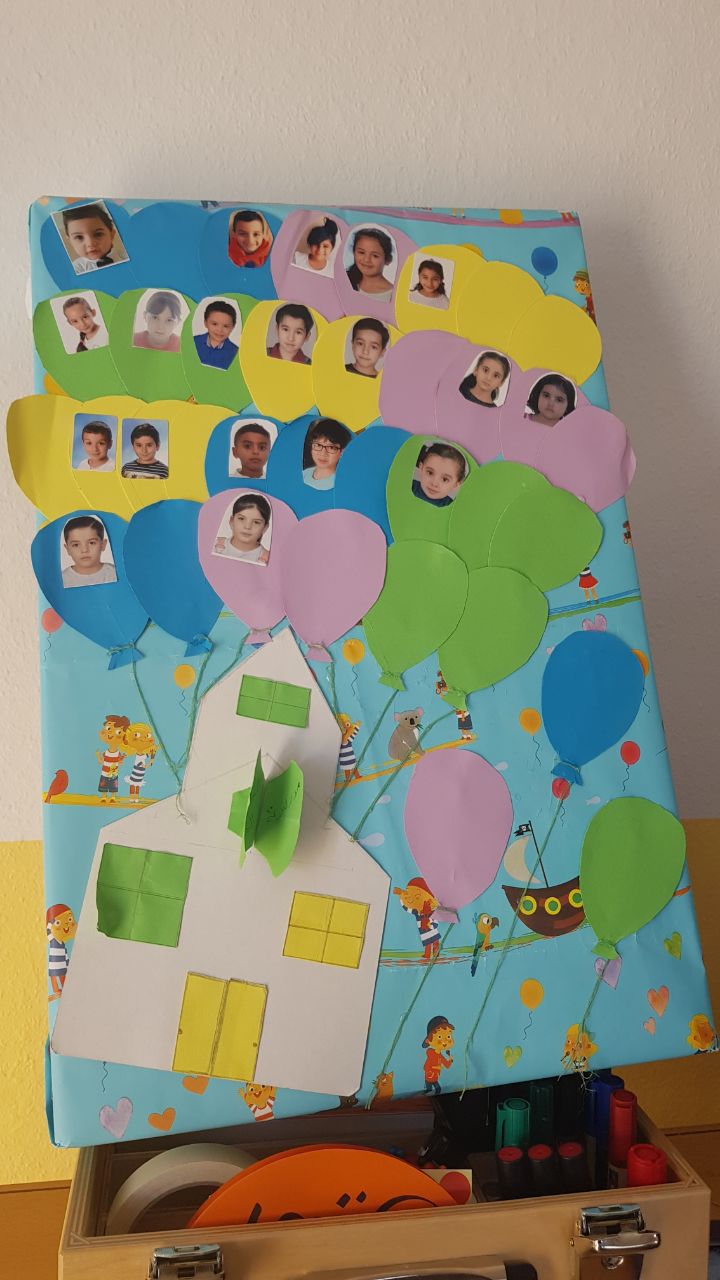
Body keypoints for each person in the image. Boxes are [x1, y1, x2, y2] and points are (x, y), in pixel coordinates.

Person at [61, 202, 125, 273]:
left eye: (98, 234)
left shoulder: (124, 257)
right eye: (79, 237)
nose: (90, 243)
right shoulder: (75, 269)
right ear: (70, 241)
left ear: (112, 234)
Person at [214, 493, 271, 563]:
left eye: (256, 522)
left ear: (265, 527)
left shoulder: (268, 559)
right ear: (232, 521)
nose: (247, 527)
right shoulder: (214, 545)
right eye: (241, 518)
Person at [61, 515, 117, 587]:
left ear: (103, 544)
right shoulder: (62, 579)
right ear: (67, 549)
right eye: (76, 545)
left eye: (92, 543)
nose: (84, 550)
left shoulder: (114, 573)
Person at [412, 441, 466, 507]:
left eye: (444, 479)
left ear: (456, 484)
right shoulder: (408, 486)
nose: (434, 484)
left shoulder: (452, 507)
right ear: (421, 468)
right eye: (430, 473)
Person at [302, 418, 351, 489]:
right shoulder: (303, 475)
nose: (323, 453)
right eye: (318, 445)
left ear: (342, 452)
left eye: (331, 447)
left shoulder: (343, 483)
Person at [346, 227, 395, 299]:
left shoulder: (393, 294)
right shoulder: (346, 281)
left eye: (375, 256)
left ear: (387, 260)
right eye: (361, 252)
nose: (366, 260)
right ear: (354, 252)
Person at [194, 300, 239, 369]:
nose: (220, 330)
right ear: (205, 323)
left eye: (226, 326)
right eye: (214, 324)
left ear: (232, 327)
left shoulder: (235, 353)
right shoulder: (193, 342)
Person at [96, 713, 130, 803]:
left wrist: (123, 758)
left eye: (118, 732)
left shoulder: (118, 753)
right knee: (103, 786)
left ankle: (113, 797)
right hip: (104, 773)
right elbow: (101, 761)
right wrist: (98, 755)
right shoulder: (105, 753)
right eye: (108, 728)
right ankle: (104, 797)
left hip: (114, 773)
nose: (111, 733)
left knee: (113, 787)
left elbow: (120, 762)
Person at [46, 904, 77, 999]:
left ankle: (64, 988)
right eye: (58, 922)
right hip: (55, 962)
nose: (66, 924)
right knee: (54, 975)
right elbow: (48, 930)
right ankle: (56, 990)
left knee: (62, 975)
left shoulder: (62, 942)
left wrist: (67, 962)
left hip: (62, 963)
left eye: (70, 919)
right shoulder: (53, 940)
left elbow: (65, 954)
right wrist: (52, 922)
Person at [122, 722, 157, 804]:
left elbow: (148, 757)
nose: (144, 738)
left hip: (140, 773)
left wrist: (152, 755)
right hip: (136, 772)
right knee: (133, 784)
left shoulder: (143, 755)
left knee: (137, 785)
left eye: (148, 735)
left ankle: (136, 797)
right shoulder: (139, 756)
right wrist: (147, 763)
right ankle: (132, 797)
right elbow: (141, 764)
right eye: (137, 735)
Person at [422, 1015, 454, 1095]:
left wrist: (450, 1059)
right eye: (439, 1036)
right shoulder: (430, 1054)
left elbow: (447, 1065)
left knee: (438, 1090)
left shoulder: (440, 1056)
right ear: (428, 1040)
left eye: (448, 1036)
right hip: (428, 1078)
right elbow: (425, 1067)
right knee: (429, 1090)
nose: (444, 1042)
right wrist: (437, 1068)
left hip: (435, 1079)